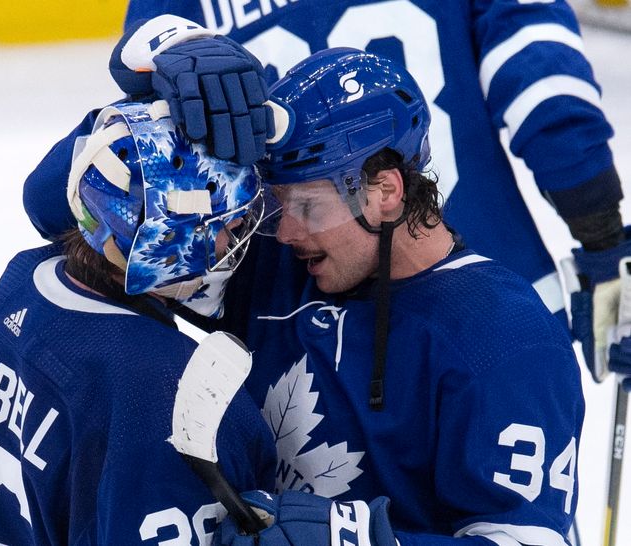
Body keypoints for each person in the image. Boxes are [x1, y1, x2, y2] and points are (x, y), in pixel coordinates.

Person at [23, 3, 631, 389]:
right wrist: (601, 232)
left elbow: (126, 175)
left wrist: (153, 55)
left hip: (288, 325)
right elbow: (545, 84)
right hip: (489, 306)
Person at [209, 47, 585, 546]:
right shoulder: (271, 264)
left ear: (384, 192)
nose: (286, 233)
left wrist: (372, 541)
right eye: (280, 206)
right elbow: (85, 251)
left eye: (306, 206)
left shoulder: (505, 340)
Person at [0, 101, 275, 545]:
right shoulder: (175, 395)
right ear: (167, 240)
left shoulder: (21, 283)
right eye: (223, 224)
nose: (231, 240)